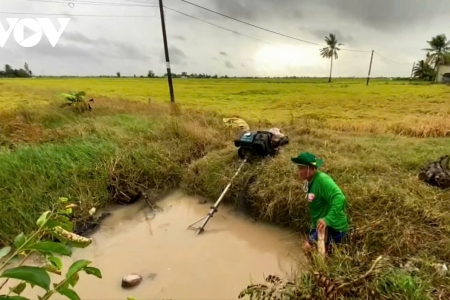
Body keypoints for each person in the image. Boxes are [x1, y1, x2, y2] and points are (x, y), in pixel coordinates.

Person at [291, 151, 349, 253]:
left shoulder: (322, 180)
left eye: (301, 168)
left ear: (312, 168)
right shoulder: (310, 181)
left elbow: (339, 198)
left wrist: (327, 219)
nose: (299, 171)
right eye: (298, 168)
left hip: (334, 227)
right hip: (319, 225)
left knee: (307, 248)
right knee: (308, 245)